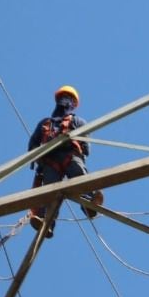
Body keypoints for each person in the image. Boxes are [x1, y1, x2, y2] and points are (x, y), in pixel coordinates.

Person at [27, 85, 101, 237]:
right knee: (50, 192)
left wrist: (82, 152)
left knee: (79, 174)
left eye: (68, 98)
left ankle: (89, 204)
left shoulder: (77, 121)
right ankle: (45, 221)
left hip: (70, 155)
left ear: (73, 103)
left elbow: (85, 141)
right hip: (50, 161)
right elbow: (33, 142)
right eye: (62, 97)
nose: (64, 101)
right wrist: (35, 157)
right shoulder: (45, 123)